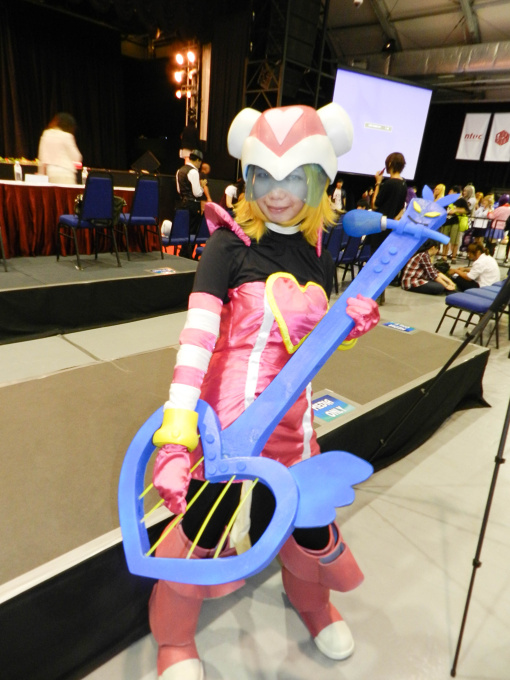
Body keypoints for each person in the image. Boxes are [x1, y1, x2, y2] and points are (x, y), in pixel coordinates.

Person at [148, 103, 380, 680]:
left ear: (319, 180)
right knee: (203, 529)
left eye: (294, 178)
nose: (277, 193)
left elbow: (308, 343)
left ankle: (313, 606)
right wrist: (176, 438)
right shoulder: (228, 246)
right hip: (229, 424)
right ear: (249, 177)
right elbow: (196, 342)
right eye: (264, 177)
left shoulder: (319, 249)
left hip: (294, 424)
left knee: (306, 521)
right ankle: (173, 641)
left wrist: (349, 327)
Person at [369, 152, 407, 302]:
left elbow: (374, 204)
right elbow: (401, 209)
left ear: (390, 164)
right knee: (384, 261)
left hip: (379, 226)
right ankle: (380, 295)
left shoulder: (389, 184)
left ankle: (373, 295)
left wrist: (378, 183)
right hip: (391, 227)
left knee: (374, 261)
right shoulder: (403, 184)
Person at [37, 112, 82, 184]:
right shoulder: (67, 136)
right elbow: (77, 157)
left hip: (51, 173)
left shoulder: (46, 134)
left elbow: (42, 158)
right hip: (67, 173)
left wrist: (41, 174)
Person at [176, 149, 206, 243]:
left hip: (182, 204)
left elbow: (179, 190)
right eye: (200, 162)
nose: (200, 165)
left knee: (184, 231)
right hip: (193, 205)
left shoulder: (180, 170)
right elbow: (197, 193)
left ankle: (183, 250)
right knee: (192, 232)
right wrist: (202, 186)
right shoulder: (194, 172)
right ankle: (187, 251)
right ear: (197, 160)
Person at [438, 187, 469, 264]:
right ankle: (444, 256)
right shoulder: (447, 200)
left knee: (454, 240)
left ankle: (453, 257)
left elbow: (467, 210)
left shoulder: (461, 200)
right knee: (445, 239)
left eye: (451, 191)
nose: (449, 193)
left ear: (455, 192)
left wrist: (456, 210)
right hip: (446, 221)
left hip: (456, 221)